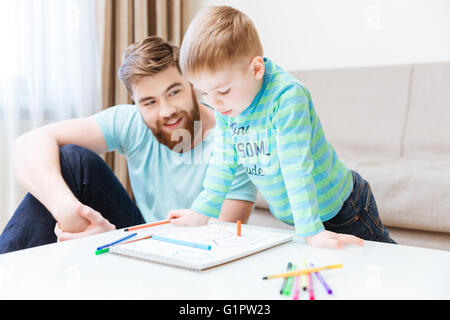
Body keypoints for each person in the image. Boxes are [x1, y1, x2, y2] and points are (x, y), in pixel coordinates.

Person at [0, 36, 257, 254]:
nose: (166, 111)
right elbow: (27, 144)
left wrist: (113, 241)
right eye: (149, 102)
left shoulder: (234, 138)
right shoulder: (131, 122)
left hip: (191, 252)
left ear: (192, 84)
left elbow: (219, 245)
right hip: (140, 233)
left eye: (173, 92)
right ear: (135, 102)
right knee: (73, 160)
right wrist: (68, 211)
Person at [168, 6, 396, 249]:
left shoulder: (286, 97)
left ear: (256, 69)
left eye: (223, 90)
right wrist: (200, 212)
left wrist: (310, 231)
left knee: (383, 259)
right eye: (204, 92)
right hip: (309, 217)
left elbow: (295, 165)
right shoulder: (227, 108)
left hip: (343, 208)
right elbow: (223, 161)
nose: (213, 103)